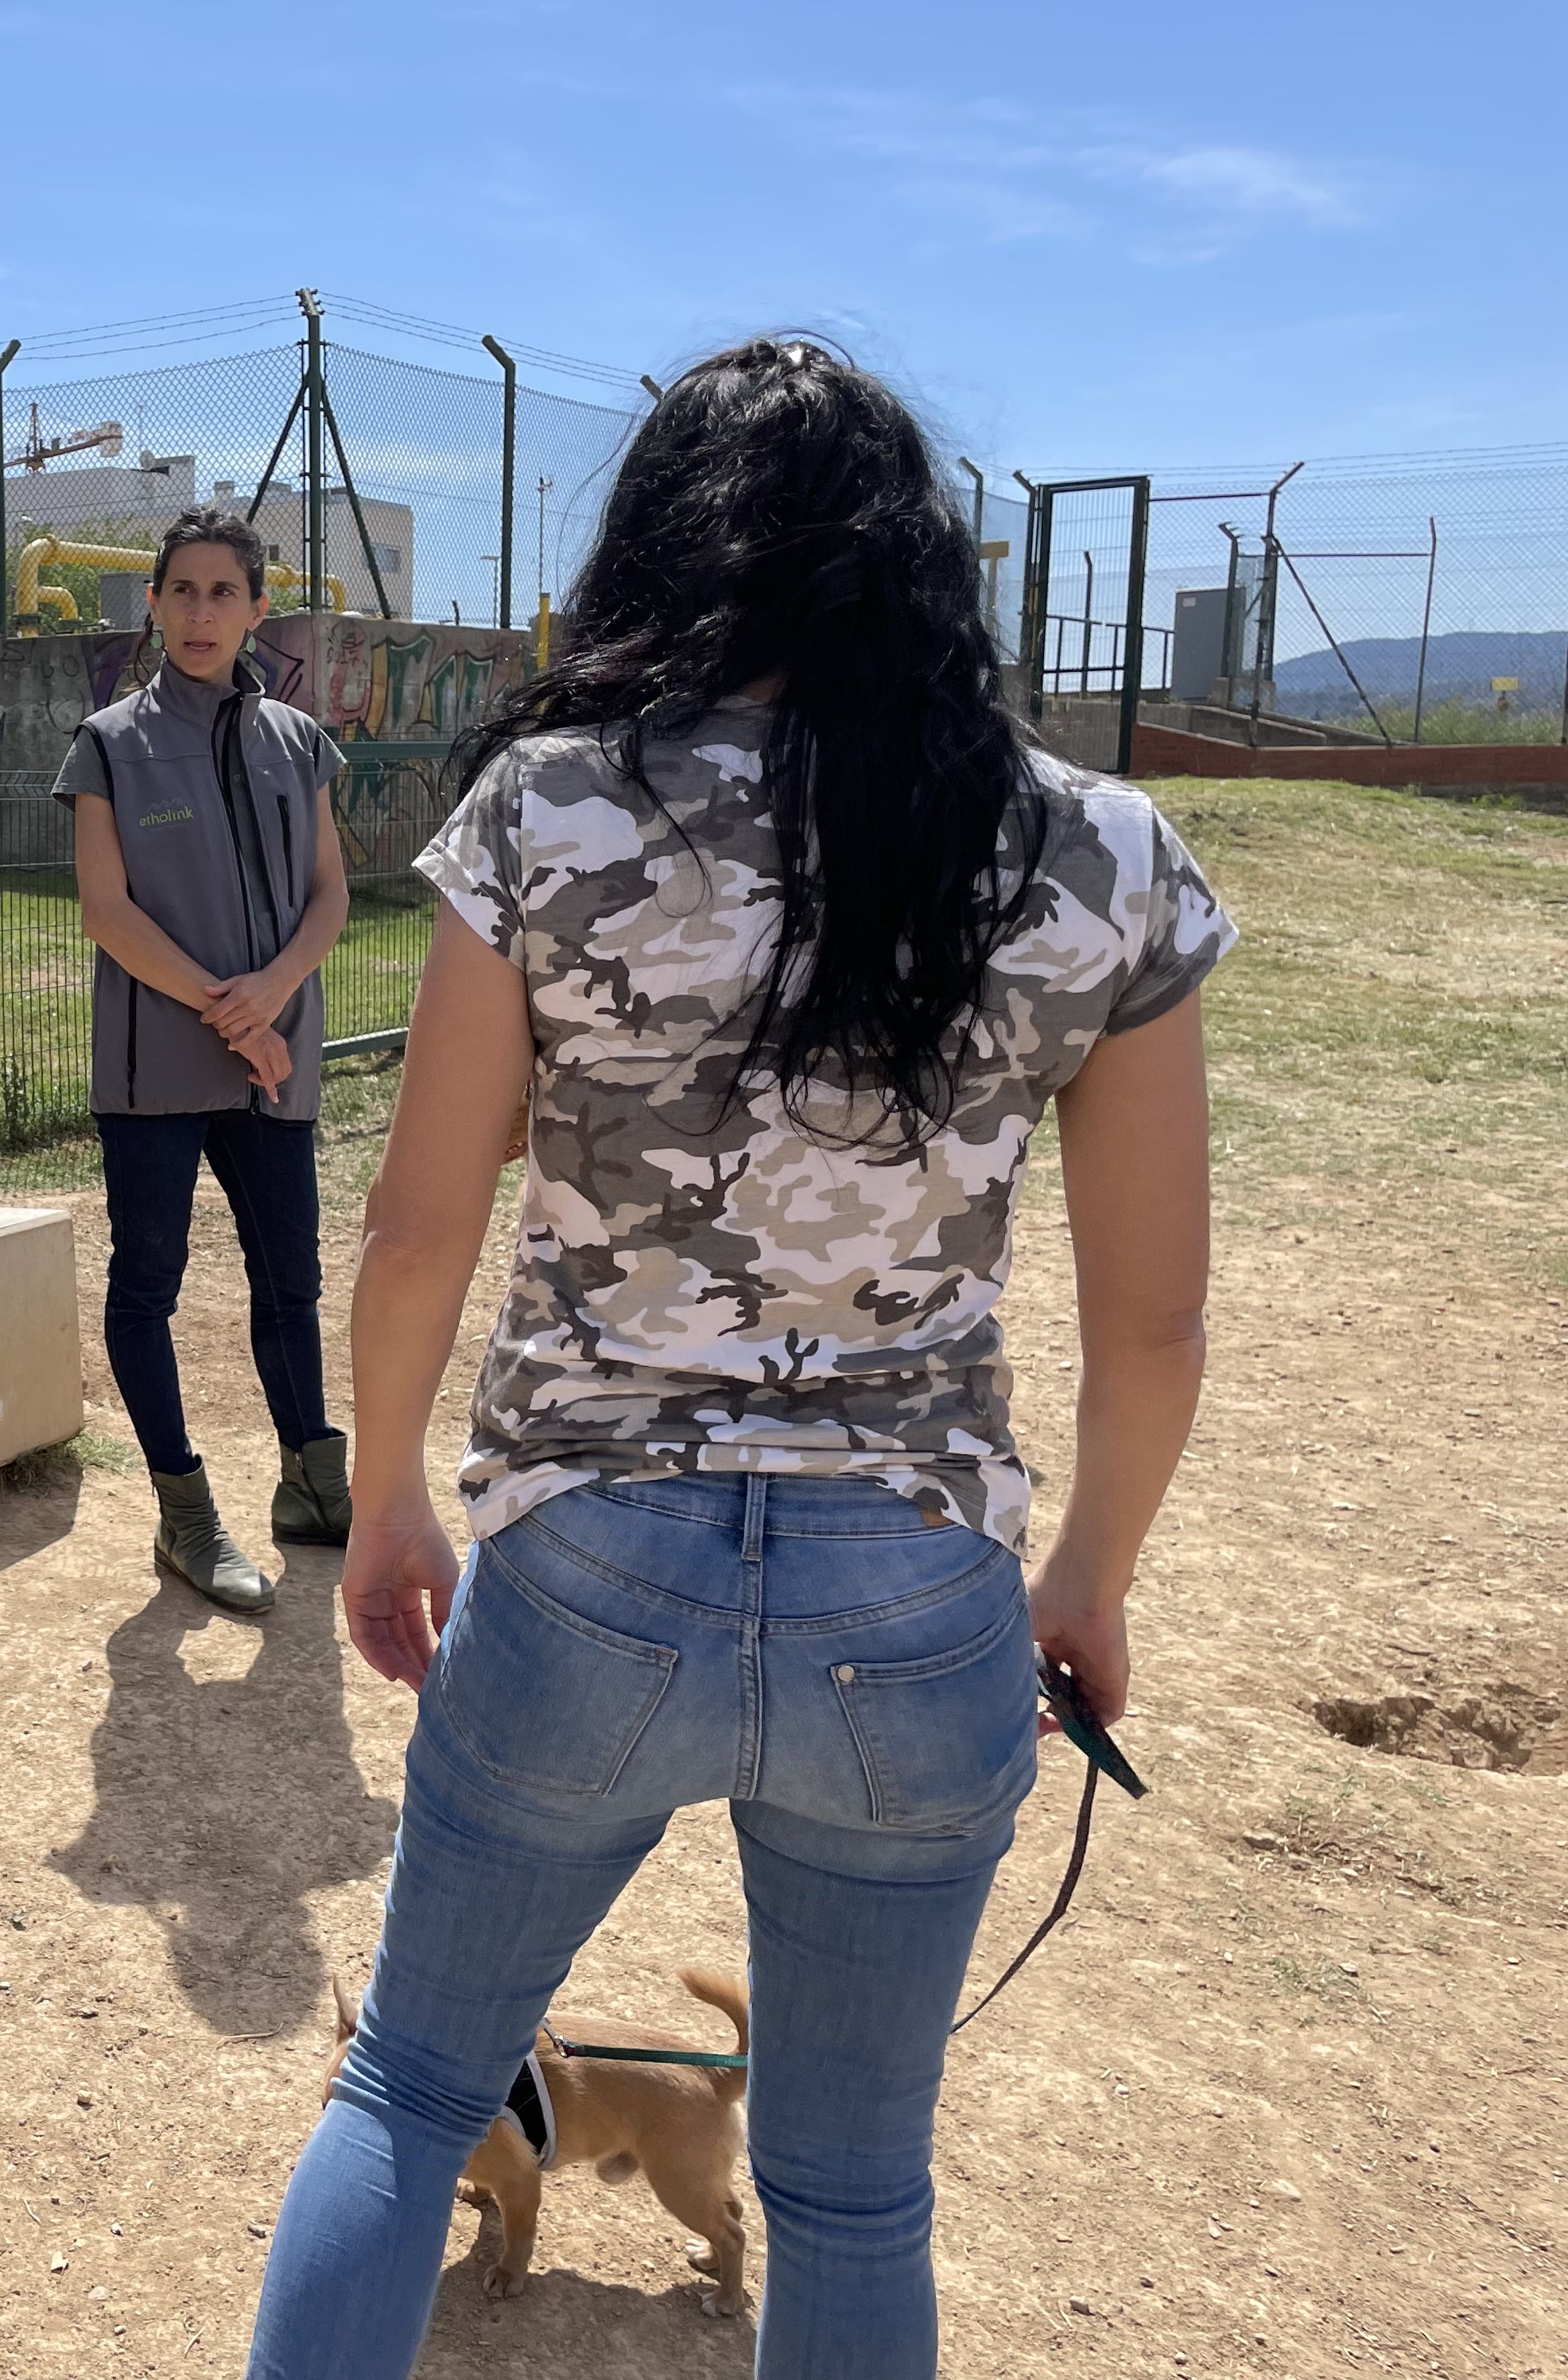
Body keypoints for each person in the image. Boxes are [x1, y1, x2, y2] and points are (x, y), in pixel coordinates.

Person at [247, 340, 1233, 2378]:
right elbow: (1154, 1316)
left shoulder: (549, 811)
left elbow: (422, 1223)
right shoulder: (1100, 853)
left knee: (414, 2090)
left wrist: (397, 1491)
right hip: (920, 1580)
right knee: (855, 2188)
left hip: (591, 1561)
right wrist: (1088, 1583)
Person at [54, 507, 355, 1614]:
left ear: (258, 607)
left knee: (293, 1282)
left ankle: (316, 1492)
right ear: (152, 604)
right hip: (154, 1079)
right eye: (180, 591)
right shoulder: (108, 744)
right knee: (148, 1288)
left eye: (223, 592)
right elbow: (106, 912)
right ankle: (187, 1521)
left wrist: (274, 994)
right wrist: (235, 1014)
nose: (199, 612)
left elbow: (330, 893)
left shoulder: (299, 741)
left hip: (276, 1062)